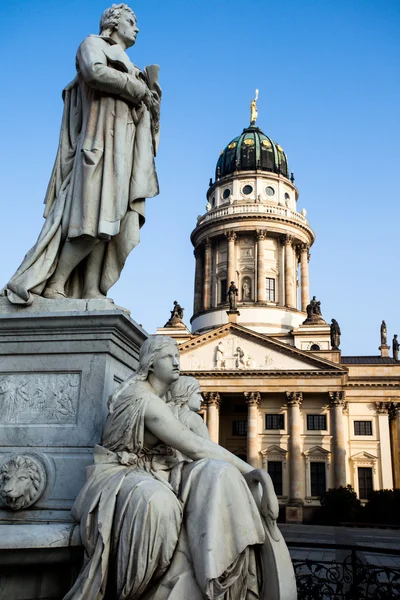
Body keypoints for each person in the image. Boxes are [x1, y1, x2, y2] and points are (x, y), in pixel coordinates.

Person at [64, 335, 294, 599]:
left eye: (178, 356)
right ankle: (138, 591)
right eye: (168, 357)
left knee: (219, 472)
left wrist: (245, 474)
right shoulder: (147, 402)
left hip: (157, 470)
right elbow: (196, 447)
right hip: (122, 475)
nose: (177, 363)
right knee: (160, 504)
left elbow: (195, 449)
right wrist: (257, 473)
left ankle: (223, 572)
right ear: (151, 364)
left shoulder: (161, 401)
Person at [5, 4, 161, 305]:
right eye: (131, 21)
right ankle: (57, 284)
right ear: (114, 24)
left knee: (112, 223)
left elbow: (146, 118)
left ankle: (92, 288)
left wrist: (152, 99)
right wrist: (137, 89)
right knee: (90, 220)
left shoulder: (133, 65)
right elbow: (94, 73)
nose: (137, 28)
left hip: (124, 151)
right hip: (99, 144)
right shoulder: (92, 44)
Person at [167, 375, 209, 440]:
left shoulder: (166, 413)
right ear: (186, 394)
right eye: (198, 393)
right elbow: (207, 447)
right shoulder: (193, 418)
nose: (201, 399)